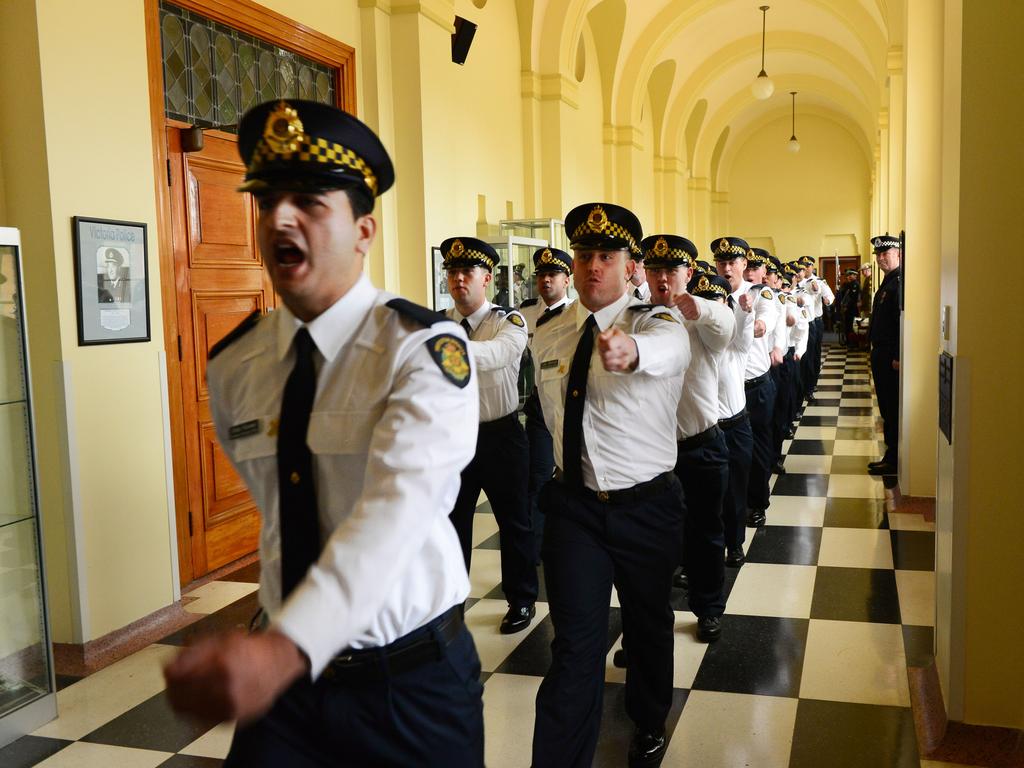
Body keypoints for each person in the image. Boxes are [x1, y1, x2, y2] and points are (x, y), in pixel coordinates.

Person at [163, 99, 484, 767]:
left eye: (309, 201)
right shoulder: (235, 365)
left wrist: (281, 648)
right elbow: (279, 509)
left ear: (363, 230)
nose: (279, 218)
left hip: (409, 686)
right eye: (267, 200)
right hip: (286, 694)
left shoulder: (422, 349)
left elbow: (396, 510)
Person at [531, 202, 689, 768]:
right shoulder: (548, 334)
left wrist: (632, 350)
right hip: (575, 511)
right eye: (583, 254)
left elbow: (672, 351)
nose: (592, 265)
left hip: (645, 507)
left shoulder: (656, 323)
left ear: (631, 267)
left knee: (648, 624)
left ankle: (648, 718)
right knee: (574, 647)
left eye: (606, 255)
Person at [444, 236, 539, 633]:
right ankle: (450, 600)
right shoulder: (441, 324)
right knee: (452, 524)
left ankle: (521, 600)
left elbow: (498, 356)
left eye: (468, 272)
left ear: (487, 278)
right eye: (452, 271)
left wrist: (439, 349)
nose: (459, 279)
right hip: (453, 439)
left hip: (500, 436)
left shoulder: (508, 322)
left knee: (514, 522)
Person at [645, 235, 734, 641]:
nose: (663, 278)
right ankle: (646, 629)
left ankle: (708, 608)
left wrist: (703, 307)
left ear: (690, 273)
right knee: (651, 543)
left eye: (672, 271)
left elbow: (726, 327)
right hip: (650, 452)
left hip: (699, 444)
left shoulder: (702, 317)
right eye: (655, 270)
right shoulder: (636, 315)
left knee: (706, 534)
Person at [518, 246, 574, 561]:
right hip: (540, 403)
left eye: (553, 275)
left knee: (572, 473)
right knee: (537, 477)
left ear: (567, 280)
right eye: (541, 275)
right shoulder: (524, 313)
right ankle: (537, 548)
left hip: (569, 400)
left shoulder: (578, 314)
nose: (546, 281)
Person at [712, 238, 755, 572]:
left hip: (736, 424)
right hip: (706, 430)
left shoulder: (735, 346)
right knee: (706, 497)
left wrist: (744, 312)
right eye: (720, 263)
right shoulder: (694, 340)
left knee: (735, 490)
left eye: (732, 263)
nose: (726, 268)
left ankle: (735, 543)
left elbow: (744, 335)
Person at [867, 234, 902, 475]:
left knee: (891, 407)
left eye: (885, 254)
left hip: (890, 356)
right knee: (886, 407)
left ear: (898, 254)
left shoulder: (898, 283)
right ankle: (891, 455)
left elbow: (902, 323)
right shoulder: (888, 282)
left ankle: (893, 459)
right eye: (878, 255)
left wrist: (898, 355)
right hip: (881, 353)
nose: (881, 258)